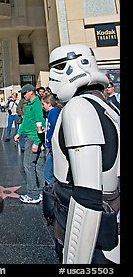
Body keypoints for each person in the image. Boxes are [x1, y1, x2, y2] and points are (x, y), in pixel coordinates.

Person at [45, 44, 120, 264]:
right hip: (109, 212)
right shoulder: (107, 106)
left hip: (86, 223)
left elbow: (88, 197)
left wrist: (75, 259)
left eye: (57, 69)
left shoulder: (79, 108)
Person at [14, 84, 46, 203]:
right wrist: (19, 133)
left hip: (34, 138)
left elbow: (40, 123)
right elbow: (27, 121)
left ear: (30, 92)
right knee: (38, 166)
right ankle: (43, 192)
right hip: (31, 136)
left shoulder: (37, 104)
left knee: (28, 165)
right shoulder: (30, 105)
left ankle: (33, 194)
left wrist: (37, 142)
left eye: (24, 93)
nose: (23, 95)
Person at [41, 93, 62, 184]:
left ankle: (54, 192)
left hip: (53, 146)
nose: (43, 106)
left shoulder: (53, 113)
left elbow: (57, 128)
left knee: (47, 174)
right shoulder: (53, 112)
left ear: (49, 104)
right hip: (52, 146)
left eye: (44, 104)